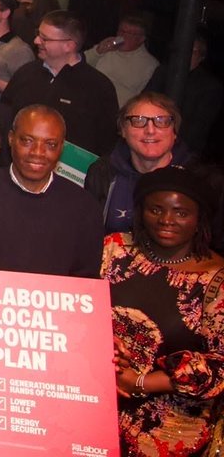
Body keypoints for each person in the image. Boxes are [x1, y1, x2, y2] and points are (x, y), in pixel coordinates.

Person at [101, 165, 224, 457]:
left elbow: (221, 365)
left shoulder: (215, 278)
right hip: (96, 408)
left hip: (170, 430)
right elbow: (79, 311)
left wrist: (141, 382)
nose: (167, 220)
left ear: (199, 218)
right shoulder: (115, 249)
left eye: (181, 212)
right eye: (156, 209)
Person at [0, 105, 102, 280]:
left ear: (61, 148)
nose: (37, 152)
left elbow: (86, 282)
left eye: (50, 144)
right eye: (27, 141)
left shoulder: (84, 208)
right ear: (11, 139)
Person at [2, 10, 118, 157]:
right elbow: (6, 116)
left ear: (69, 45)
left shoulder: (99, 87)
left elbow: (107, 141)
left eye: (45, 39)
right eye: (38, 34)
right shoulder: (26, 73)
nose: (36, 41)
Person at [84, 92, 194, 235]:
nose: (150, 130)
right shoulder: (102, 172)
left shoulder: (199, 180)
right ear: (123, 130)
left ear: (174, 131)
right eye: (138, 121)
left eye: (161, 121)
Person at [84, 15, 160, 107]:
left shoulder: (149, 64)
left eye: (130, 34)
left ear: (141, 39)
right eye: (122, 31)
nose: (124, 36)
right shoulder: (106, 49)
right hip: (87, 101)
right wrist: (97, 51)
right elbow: (78, 64)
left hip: (116, 110)